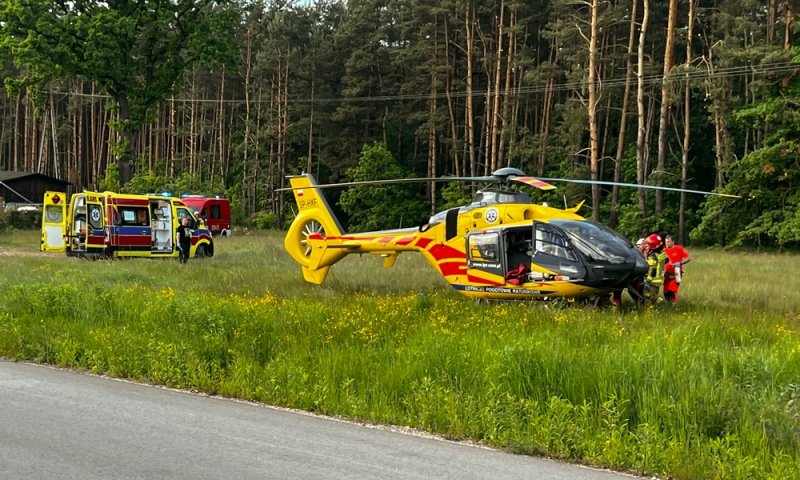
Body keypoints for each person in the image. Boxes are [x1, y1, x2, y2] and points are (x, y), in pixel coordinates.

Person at [663, 235, 692, 305]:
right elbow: (660, 261)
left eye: (668, 242)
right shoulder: (664, 251)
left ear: (673, 242)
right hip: (667, 273)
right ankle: (668, 305)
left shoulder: (679, 249)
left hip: (677, 272)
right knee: (665, 291)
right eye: (666, 242)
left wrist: (680, 263)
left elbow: (689, 258)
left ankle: (674, 304)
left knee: (672, 289)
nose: (667, 244)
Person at [642, 233, 668, 306]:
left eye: (647, 245)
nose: (646, 246)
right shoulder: (661, 254)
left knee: (647, 297)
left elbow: (652, 269)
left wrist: (648, 280)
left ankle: (648, 312)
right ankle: (659, 302)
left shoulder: (652, 256)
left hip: (652, 281)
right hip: (658, 280)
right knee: (654, 296)